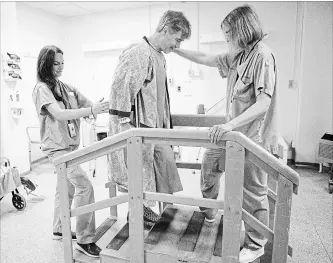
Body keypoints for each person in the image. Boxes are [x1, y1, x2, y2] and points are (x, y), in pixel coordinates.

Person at [172, 5, 278, 263]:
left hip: (252, 137)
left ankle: (256, 244)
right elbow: (205, 57)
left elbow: (264, 101)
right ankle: (210, 213)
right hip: (232, 136)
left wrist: (230, 126)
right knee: (209, 164)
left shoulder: (263, 56)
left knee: (253, 191)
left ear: (242, 30)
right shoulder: (238, 56)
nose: (227, 39)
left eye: (229, 33)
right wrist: (175, 48)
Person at [108, 10, 191, 224]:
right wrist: (124, 126)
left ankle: (141, 211)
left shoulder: (159, 56)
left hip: (156, 128)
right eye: (178, 39)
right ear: (165, 30)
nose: (178, 45)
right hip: (138, 129)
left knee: (160, 169)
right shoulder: (140, 52)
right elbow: (120, 90)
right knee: (141, 174)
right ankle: (137, 214)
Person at [32, 45, 109, 258]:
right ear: (45, 64)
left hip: (71, 147)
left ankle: (59, 228)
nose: (60, 67)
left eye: (62, 63)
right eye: (56, 63)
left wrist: (99, 109)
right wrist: (90, 111)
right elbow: (60, 113)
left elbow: (90, 104)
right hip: (57, 150)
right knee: (85, 186)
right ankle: (85, 240)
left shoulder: (66, 87)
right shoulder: (41, 89)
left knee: (65, 189)